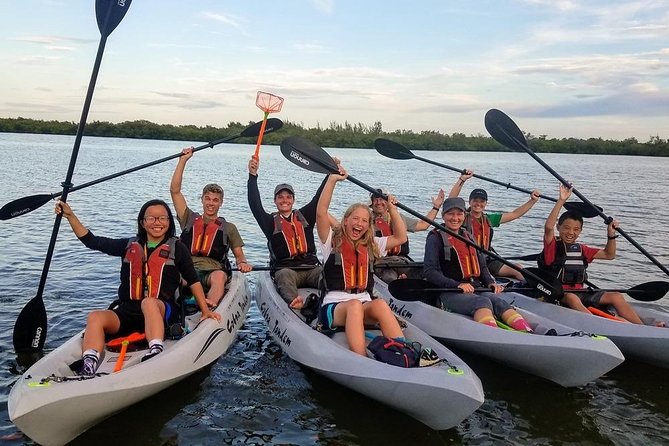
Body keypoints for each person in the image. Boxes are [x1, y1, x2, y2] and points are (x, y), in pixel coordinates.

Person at [55, 199, 220, 377]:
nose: (157, 223)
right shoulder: (128, 246)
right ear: (143, 222)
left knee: (148, 303)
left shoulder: (177, 248)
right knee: (95, 317)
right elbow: (92, 241)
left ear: (169, 222)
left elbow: (193, 280)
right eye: (152, 218)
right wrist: (70, 216)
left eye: (162, 218)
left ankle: (156, 349)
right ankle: (89, 362)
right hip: (128, 312)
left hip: (162, 311)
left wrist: (205, 311)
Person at [315, 162, 410, 356]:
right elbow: (321, 213)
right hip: (334, 308)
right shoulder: (331, 240)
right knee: (355, 306)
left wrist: (393, 209)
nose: (359, 223)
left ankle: (404, 353)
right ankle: (361, 357)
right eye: (355, 219)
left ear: (368, 226)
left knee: (382, 305)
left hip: (364, 303)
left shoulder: (372, 244)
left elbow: (401, 237)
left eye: (365, 221)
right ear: (346, 220)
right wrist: (333, 179)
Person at [539, 184, 657, 325]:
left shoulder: (582, 249)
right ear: (559, 227)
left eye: (576, 229)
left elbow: (609, 255)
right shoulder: (552, 246)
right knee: (572, 299)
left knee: (617, 296)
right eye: (566, 228)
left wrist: (611, 235)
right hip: (559, 293)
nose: (571, 232)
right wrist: (561, 200)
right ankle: (601, 325)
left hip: (582, 292)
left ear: (580, 231)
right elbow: (548, 227)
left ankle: (640, 327)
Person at [423, 197, 533, 331]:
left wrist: (489, 282)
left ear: (464, 215)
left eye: (459, 214)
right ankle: (494, 335)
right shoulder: (435, 238)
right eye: (450, 214)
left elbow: (482, 265)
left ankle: (527, 331)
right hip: (450, 291)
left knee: (499, 301)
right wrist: (457, 284)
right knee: (482, 302)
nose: (455, 218)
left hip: (475, 288)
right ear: (443, 215)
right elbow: (429, 271)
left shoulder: (468, 236)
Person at [171, 147, 252, 307]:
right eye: (207, 198)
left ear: (221, 203)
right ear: (202, 199)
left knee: (219, 277)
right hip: (188, 270)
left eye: (215, 200)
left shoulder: (229, 228)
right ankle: (171, 305)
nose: (210, 203)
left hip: (212, 272)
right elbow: (175, 191)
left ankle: (210, 306)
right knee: (172, 275)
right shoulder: (188, 218)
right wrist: (182, 161)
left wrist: (242, 263)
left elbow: (239, 256)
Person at [248, 156, 327, 309]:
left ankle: (333, 300)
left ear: (293, 200)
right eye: (280, 197)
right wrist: (252, 176)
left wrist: (330, 175)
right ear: (275, 201)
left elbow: (319, 197)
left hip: (311, 269)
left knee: (328, 273)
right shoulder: (269, 222)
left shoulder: (305, 216)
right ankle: (296, 302)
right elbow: (254, 203)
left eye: (288, 197)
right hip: (287, 270)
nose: (285, 200)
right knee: (283, 276)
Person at [449, 170, 540, 280]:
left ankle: (533, 291)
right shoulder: (462, 217)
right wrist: (462, 179)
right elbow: (451, 200)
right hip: (469, 259)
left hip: (487, 260)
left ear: (486, 203)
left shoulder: (490, 219)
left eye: (482, 201)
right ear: (470, 202)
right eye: (475, 200)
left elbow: (515, 214)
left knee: (518, 268)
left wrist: (532, 201)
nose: (478, 204)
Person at [370, 187, 445, 282]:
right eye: (375, 200)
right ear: (371, 204)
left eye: (381, 199)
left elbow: (423, 225)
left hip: (401, 261)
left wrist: (436, 207)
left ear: (388, 202)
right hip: (380, 263)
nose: (378, 203)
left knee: (424, 275)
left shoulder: (399, 218)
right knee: (391, 279)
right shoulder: (366, 221)